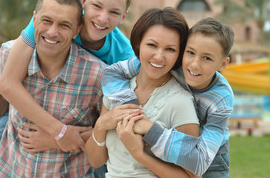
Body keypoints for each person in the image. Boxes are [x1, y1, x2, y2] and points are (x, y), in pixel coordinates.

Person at [0, 0, 137, 176]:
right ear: (84, 1)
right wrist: (58, 130)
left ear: (123, 16)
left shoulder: (123, 58)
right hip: (25, 109)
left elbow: (111, 124)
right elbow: (5, 86)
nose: (103, 18)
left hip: (80, 119)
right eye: (97, 6)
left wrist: (56, 139)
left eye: (113, 12)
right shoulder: (55, 18)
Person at [99, 17, 234, 177]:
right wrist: (132, 110)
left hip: (212, 159)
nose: (194, 64)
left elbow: (200, 160)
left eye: (207, 58)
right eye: (190, 52)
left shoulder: (222, 100)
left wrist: (149, 129)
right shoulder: (171, 66)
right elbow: (112, 72)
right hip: (180, 140)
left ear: (222, 64)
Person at [85, 7, 200, 178]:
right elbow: (95, 161)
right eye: (152, 45)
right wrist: (102, 124)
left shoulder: (180, 102)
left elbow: (192, 176)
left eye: (170, 49)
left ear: (179, 54)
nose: (159, 56)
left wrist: (139, 154)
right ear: (139, 43)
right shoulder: (117, 90)